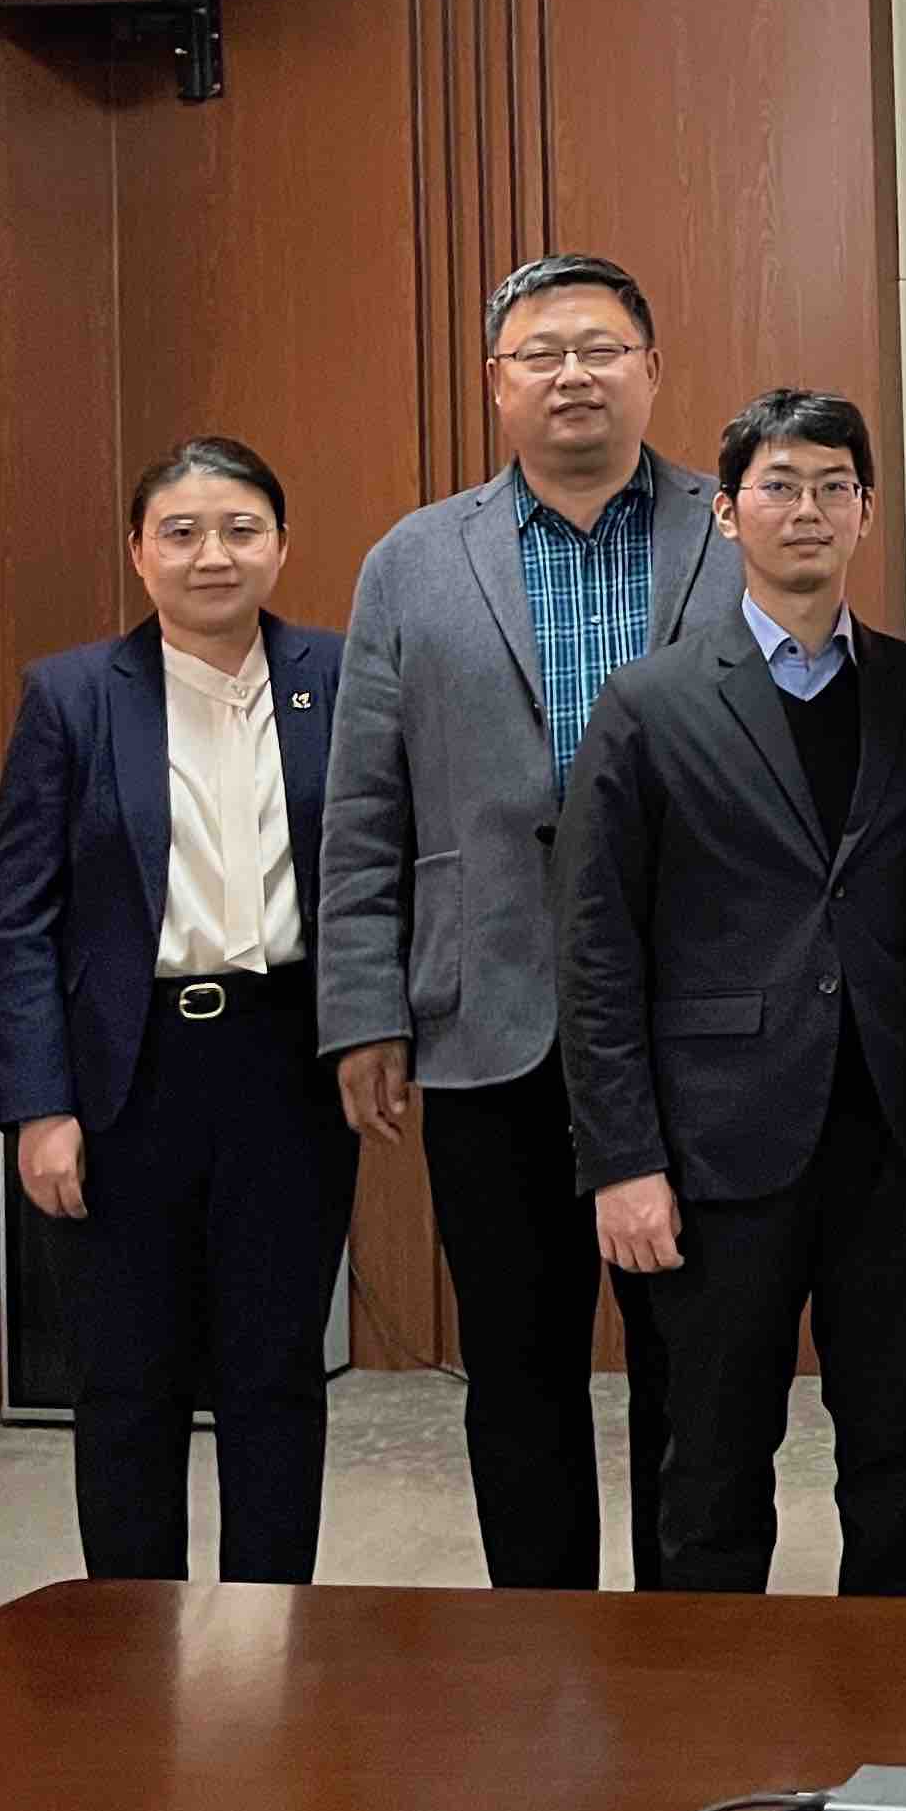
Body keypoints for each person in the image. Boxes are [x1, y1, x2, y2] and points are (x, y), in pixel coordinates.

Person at [555, 391, 906, 1596]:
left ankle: (893, 1706)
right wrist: (622, 1157)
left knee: (896, 1450)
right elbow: (599, 950)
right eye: (777, 485)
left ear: (866, 511)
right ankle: (708, 1727)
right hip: (715, 1144)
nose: (805, 508)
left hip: (896, 1135)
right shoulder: (647, 704)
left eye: (832, 485)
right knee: (711, 1461)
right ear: (725, 514)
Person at [317, 252, 723, 1591]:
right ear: (496, 385)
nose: (574, 375)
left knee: (697, 1372)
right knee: (519, 1366)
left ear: (653, 371)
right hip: (486, 1016)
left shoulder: (733, 532)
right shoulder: (413, 562)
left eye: (603, 348)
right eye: (542, 353)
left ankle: (687, 1642)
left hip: (699, 1023)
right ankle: (539, 1637)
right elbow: (364, 807)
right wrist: (364, 1008)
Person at [0, 438, 356, 1583]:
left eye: (241, 528)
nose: (212, 554)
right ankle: (132, 1649)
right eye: (181, 532)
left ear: (281, 545)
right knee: (129, 1378)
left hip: (288, 1063)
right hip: (127, 1076)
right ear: (139, 554)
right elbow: (19, 921)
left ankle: (273, 1636)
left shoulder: (337, 680)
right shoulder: (73, 696)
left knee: (275, 1371)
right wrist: (38, 1108)